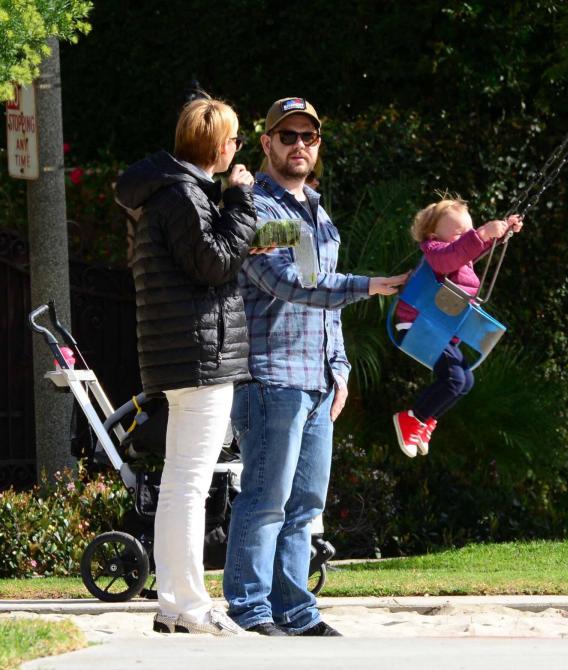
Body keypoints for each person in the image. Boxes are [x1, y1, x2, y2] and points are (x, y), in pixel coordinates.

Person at [224, 97, 408, 637]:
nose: (299, 145)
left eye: (309, 136)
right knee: (265, 501)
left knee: (305, 505)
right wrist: (367, 286)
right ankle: (251, 611)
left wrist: (341, 366)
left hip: (317, 381)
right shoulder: (253, 208)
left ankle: (297, 612)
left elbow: (325, 311)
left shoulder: (318, 212)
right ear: (266, 143)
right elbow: (287, 284)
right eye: (288, 136)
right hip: (270, 375)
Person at [115, 97, 257, 635]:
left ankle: (175, 605)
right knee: (189, 486)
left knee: (181, 483)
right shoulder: (184, 194)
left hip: (178, 355)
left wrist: (230, 222)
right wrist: (241, 200)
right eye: (236, 140)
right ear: (221, 146)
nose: (237, 150)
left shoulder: (165, 193)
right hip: (201, 358)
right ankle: (192, 605)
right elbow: (214, 262)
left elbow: (203, 258)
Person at [391, 198, 522, 457]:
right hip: (417, 325)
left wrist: (502, 231)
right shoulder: (436, 252)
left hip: (438, 329)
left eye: (469, 231)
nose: (468, 237)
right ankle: (411, 418)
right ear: (433, 235)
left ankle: (425, 420)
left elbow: (471, 249)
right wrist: (482, 232)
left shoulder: (459, 257)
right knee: (453, 379)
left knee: (465, 381)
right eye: (460, 233)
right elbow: (455, 254)